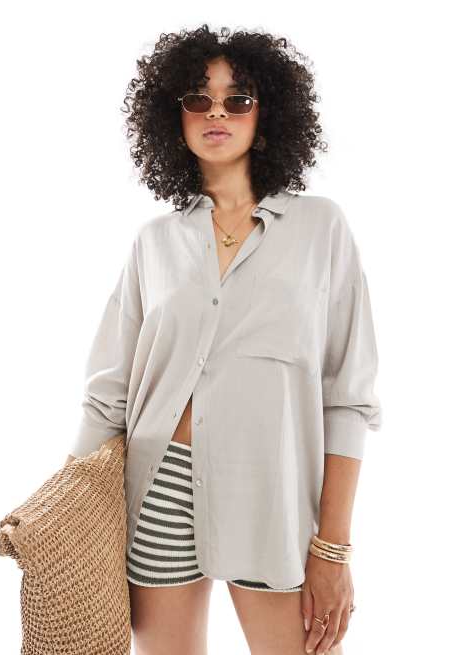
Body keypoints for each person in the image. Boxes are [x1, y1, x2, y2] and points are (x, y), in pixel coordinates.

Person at [67, 24, 382, 655]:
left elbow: (347, 398)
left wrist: (333, 548)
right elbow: (108, 395)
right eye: (198, 99)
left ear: (266, 116)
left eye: (237, 99)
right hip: (157, 488)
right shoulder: (154, 242)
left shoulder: (320, 228)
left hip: (271, 491)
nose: (216, 113)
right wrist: (71, 513)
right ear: (174, 117)